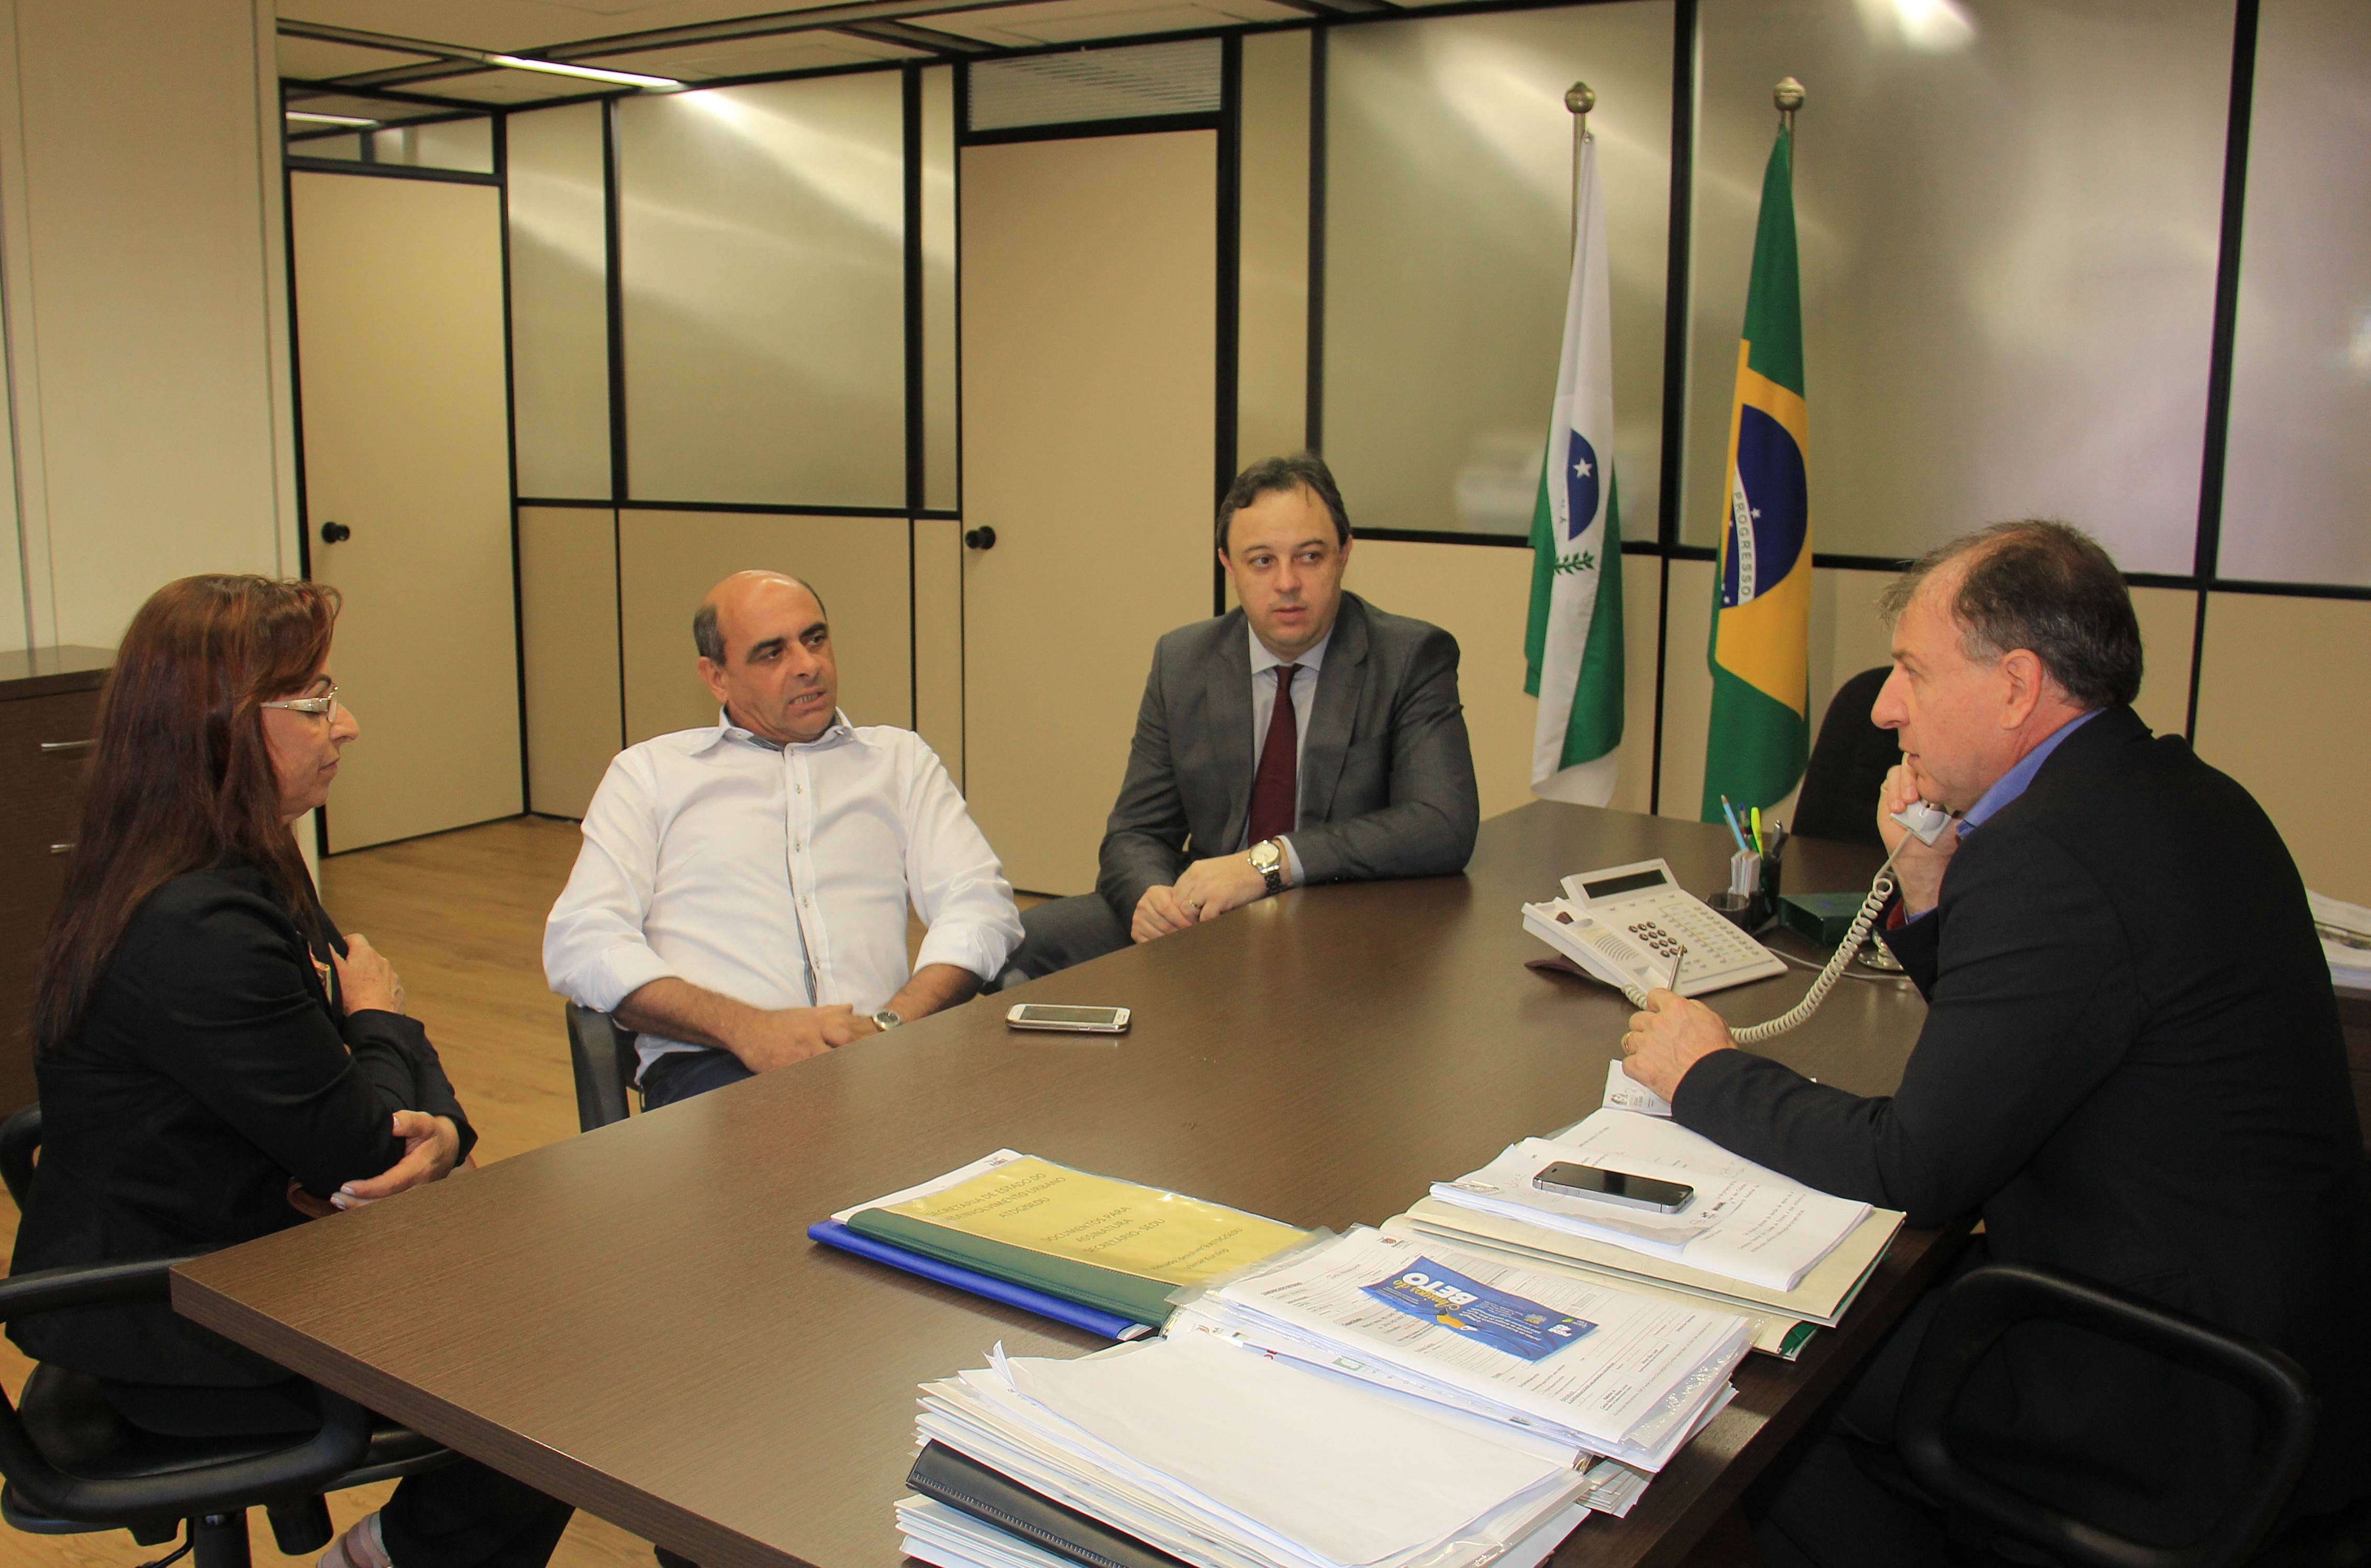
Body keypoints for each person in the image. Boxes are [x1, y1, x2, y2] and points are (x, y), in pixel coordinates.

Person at [1620, 521, 2369, 1565]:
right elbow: (2044, 1035)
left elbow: (1915, 1165)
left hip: (2158, 1389)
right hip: (2279, 1355)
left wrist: (1703, 1072)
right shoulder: (2175, 793)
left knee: (1759, 1394)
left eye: (1913, 671)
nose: (1883, 707)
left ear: (2016, 685)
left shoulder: (2048, 852)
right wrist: (1930, 892)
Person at [9, 574, 573, 1568]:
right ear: (220, 726)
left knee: (566, 1300)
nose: (345, 724)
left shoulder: (233, 858)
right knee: (576, 1364)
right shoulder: (198, 922)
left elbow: (378, 1040)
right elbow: (364, 1133)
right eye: (313, 702)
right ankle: (397, 1553)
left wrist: (438, 1128)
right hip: (185, 1315)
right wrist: (382, 1034)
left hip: (249, 1252)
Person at [544, 570, 1021, 1110]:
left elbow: (979, 905)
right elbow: (583, 940)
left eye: (814, 639)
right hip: (719, 1065)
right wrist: (747, 1029)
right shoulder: (650, 776)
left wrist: (894, 1023)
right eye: (772, 654)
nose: (807, 665)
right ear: (716, 677)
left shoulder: (898, 762)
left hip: (883, 1049)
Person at [1010, 453, 1481, 978]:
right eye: (1261, 561)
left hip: (1338, 919)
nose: (1286, 582)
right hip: (1205, 914)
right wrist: (1151, 899)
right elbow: (1135, 833)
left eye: (1309, 557)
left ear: (1344, 555)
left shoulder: (1409, 657)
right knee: (1018, 943)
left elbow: (1441, 824)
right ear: (1228, 565)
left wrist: (1267, 863)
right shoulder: (1183, 660)